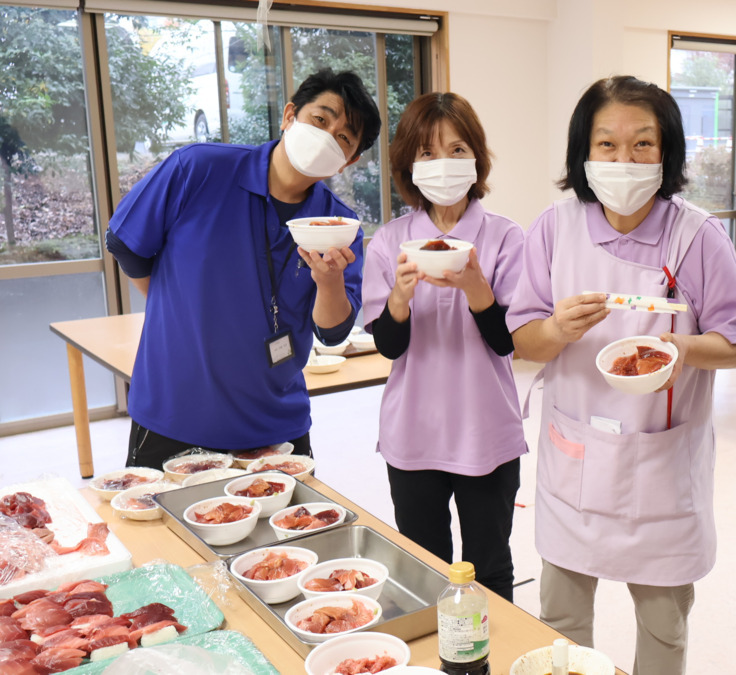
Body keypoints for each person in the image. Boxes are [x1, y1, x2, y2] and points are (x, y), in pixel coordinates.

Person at [506, 75, 736, 675]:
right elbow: (521, 338)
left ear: (666, 152)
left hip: (662, 468)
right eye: (607, 144)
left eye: (643, 144)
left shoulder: (695, 235)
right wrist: (558, 329)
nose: (625, 159)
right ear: (583, 153)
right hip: (575, 463)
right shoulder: (554, 228)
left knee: (663, 629)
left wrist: (681, 350)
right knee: (561, 626)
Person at [106, 68, 381, 469]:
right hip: (174, 416)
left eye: (343, 137)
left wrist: (328, 280)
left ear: (348, 161)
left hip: (276, 424)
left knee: (292, 531)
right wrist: (170, 300)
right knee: (161, 532)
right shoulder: (198, 169)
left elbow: (332, 331)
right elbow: (125, 243)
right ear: (290, 116)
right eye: (320, 120)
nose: (326, 137)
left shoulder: (338, 226)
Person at [360, 92, 525, 602]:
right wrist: (401, 298)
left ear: (476, 159)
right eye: (427, 153)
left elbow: (507, 342)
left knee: (490, 568)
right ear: (410, 164)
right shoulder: (390, 242)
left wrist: (478, 289)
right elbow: (389, 347)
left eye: (457, 149)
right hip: (414, 433)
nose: (444, 164)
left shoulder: (505, 238)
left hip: (487, 431)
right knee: (423, 568)